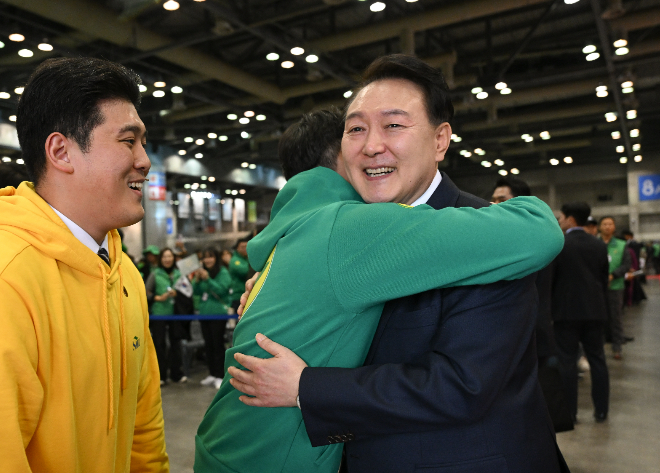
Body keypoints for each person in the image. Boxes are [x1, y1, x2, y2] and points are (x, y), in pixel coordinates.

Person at [198, 56, 567, 473]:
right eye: (356, 129)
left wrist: (308, 388)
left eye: (394, 124)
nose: (372, 145)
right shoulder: (345, 232)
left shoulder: (486, 237)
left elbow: (463, 386)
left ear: (440, 140)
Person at [0, 57, 168, 471]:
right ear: (61, 151)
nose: (145, 160)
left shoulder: (123, 275)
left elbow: (144, 429)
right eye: (128, 141)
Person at [489, 176, 573, 432]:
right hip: (503, 340)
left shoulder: (540, 240)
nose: (494, 205)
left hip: (538, 336)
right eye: (492, 199)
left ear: (520, 201)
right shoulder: (493, 240)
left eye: (501, 199)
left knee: (543, 410)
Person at [551, 202, 610, 423]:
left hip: (566, 313)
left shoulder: (561, 244)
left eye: (562, 217)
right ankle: (601, 411)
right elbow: (603, 278)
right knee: (597, 359)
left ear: (572, 219)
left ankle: (570, 413)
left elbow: (553, 280)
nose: (560, 221)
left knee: (566, 362)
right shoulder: (598, 245)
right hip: (595, 310)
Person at [192, 247, 232, 389]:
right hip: (204, 314)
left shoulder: (223, 272)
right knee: (208, 345)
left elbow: (222, 290)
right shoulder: (203, 272)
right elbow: (195, 292)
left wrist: (208, 280)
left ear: (216, 258)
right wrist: (197, 280)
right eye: (205, 257)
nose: (207, 260)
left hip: (218, 314)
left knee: (217, 344)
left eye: (210, 256)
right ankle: (212, 373)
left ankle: (220, 375)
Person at [146, 247, 186, 385]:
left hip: (175, 314)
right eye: (164, 257)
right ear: (160, 259)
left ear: (173, 258)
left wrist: (178, 294)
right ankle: (161, 376)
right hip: (159, 315)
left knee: (176, 344)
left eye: (169, 256)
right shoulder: (155, 274)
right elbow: (146, 291)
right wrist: (157, 298)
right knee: (159, 344)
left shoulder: (178, 273)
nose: (167, 259)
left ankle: (177, 374)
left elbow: (187, 290)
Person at [599, 217, 633, 359]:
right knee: (598, 318)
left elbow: (626, 265)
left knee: (616, 317)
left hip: (616, 286)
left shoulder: (621, 245)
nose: (607, 227)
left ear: (614, 227)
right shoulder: (595, 244)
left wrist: (613, 275)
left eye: (610, 224)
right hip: (598, 288)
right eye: (605, 224)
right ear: (600, 227)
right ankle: (598, 348)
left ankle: (617, 347)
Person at [228, 238, 250, 313]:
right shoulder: (235, 260)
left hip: (249, 294)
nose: (245, 249)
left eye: (246, 246)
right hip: (238, 296)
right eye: (242, 247)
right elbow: (245, 271)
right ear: (237, 248)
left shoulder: (247, 258)